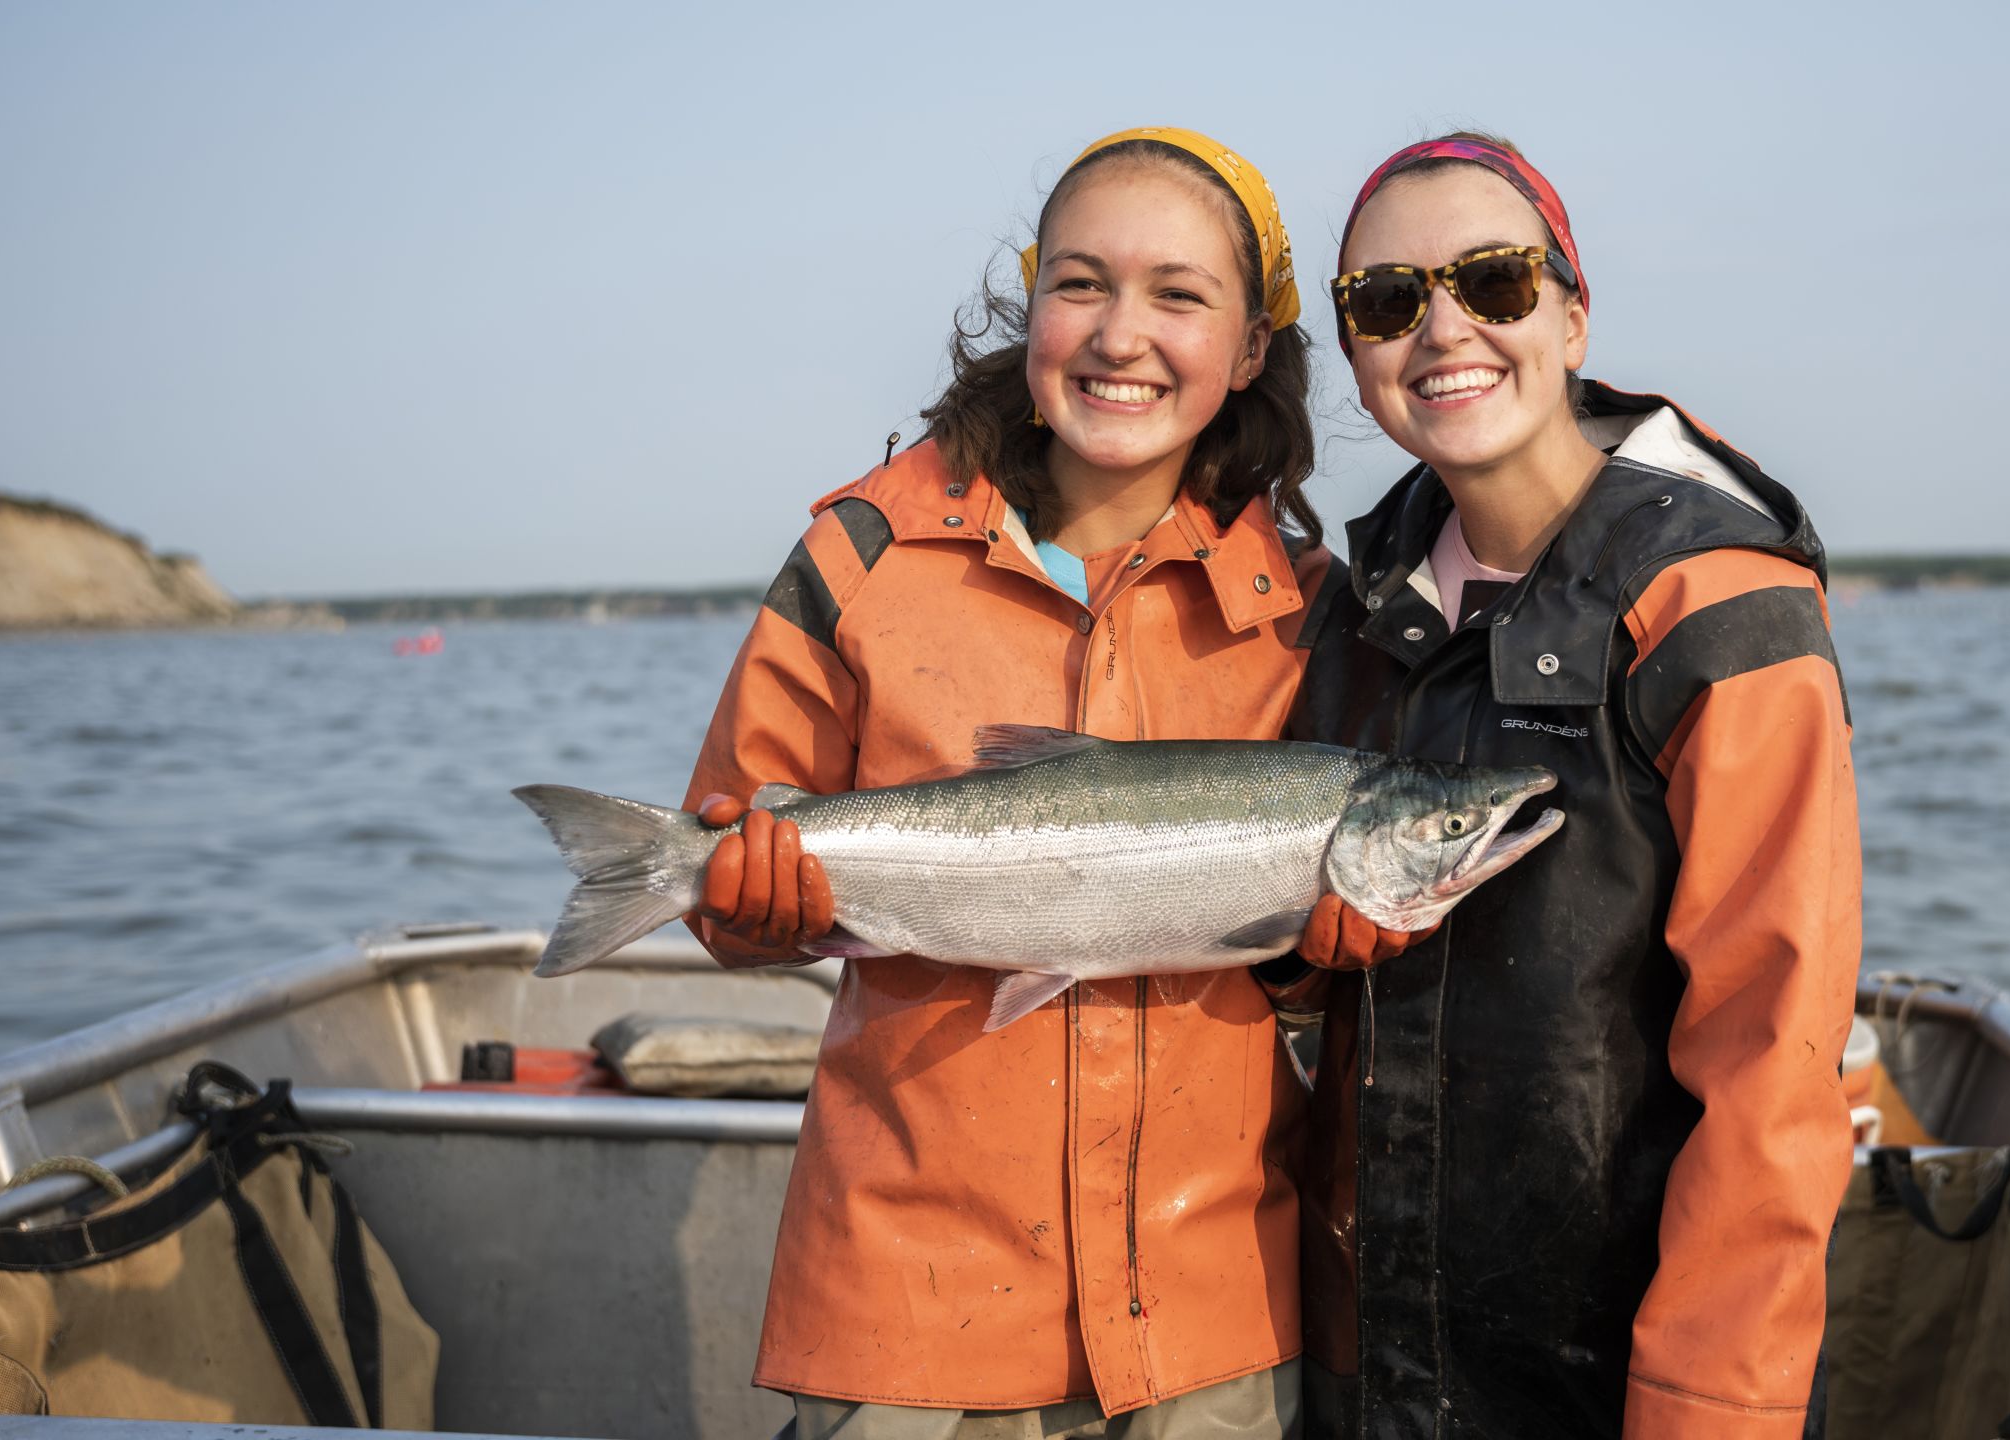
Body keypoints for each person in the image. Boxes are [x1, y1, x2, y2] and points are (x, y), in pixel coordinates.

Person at [681, 127, 1330, 1438]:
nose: (1118, 334)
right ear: (1029, 304)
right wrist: (744, 899)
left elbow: (1311, 982)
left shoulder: (1305, 613)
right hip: (908, 1304)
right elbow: (725, 873)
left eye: (1179, 296)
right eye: (1080, 284)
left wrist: (1332, 947)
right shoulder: (859, 555)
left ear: (1251, 348)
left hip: (1213, 1313)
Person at [1282, 133, 1862, 1438]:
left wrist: (1711, 1407)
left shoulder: (1718, 602)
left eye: (1491, 280)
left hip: (1611, 1385)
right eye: (1385, 301)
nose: (1441, 330)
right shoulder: (1350, 614)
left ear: (1572, 308)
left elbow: (1777, 1057)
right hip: (1372, 1366)